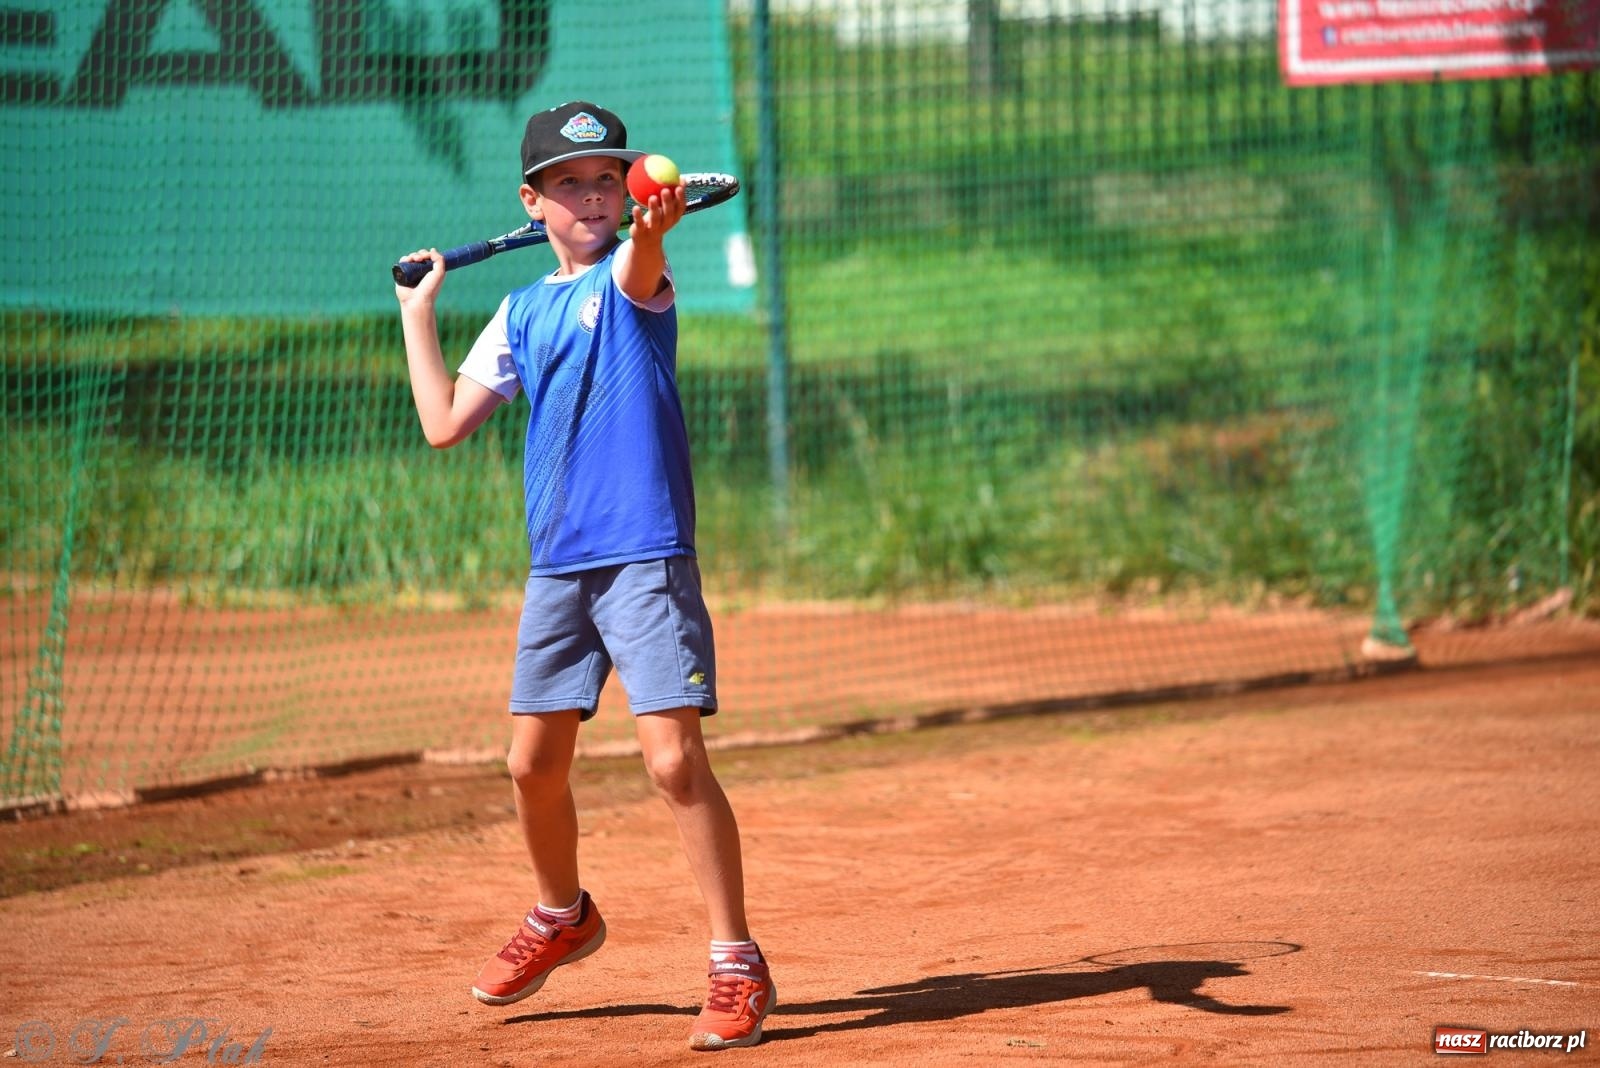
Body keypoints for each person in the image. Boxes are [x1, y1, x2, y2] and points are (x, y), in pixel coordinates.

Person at [393, 100, 775, 1052]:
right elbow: (443, 423)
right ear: (533, 201)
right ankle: (562, 915)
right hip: (559, 566)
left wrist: (653, 227)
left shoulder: (637, 278)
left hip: (644, 554)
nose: (594, 195)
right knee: (531, 767)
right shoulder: (521, 311)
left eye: (608, 179)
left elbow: (640, 260)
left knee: (673, 762)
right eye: (570, 183)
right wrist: (418, 313)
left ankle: (737, 962)